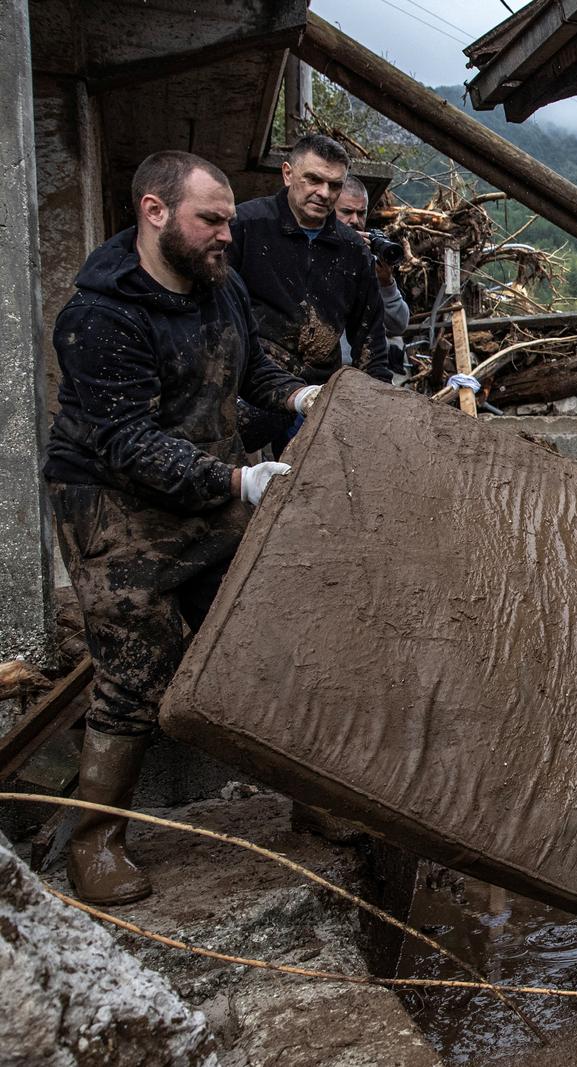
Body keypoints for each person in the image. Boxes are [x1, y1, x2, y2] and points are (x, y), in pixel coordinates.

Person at [45, 151, 317, 905]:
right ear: (155, 212)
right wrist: (239, 480)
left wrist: (301, 397)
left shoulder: (214, 286)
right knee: (137, 661)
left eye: (230, 218)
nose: (227, 233)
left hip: (202, 485)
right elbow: (126, 441)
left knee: (261, 625)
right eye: (211, 218)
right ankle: (95, 840)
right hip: (110, 504)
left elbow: (251, 370)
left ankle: (313, 796)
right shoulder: (97, 318)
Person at [230, 132, 389, 450]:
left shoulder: (353, 250)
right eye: (313, 179)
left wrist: (378, 409)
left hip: (315, 396)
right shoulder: (244, 226)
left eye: (334, 185)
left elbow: (370, 338)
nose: (324, 193)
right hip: (245, 386)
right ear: (288, 173)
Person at [333, 176, 410, 380]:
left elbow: (399, 325)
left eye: (361, 213)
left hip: (365, 374)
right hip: (325, 374)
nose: (355, 221)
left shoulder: (372, 258)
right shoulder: (314, 254)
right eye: (347, 212)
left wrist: (386, 284)